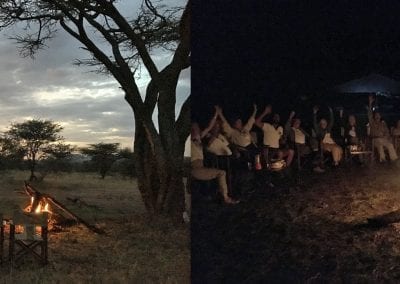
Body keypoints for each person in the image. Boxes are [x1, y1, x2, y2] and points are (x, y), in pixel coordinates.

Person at [191, 109, 239, 205]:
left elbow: (209, 127)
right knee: (221, 173)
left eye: (197, 128)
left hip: (200, 167)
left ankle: (220, 196)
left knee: (220, 172)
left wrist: (216, 114)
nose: (197, 130)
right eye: (194, 128)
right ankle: (226, 198)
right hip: (194, 168)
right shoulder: (189, 141)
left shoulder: (198, 139)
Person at [367, 95, 398, 163]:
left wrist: (387, 137)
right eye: (376, 115)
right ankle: (383, 159)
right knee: (380, 145)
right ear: (374, 116)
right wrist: (370, 103)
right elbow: (369, 114)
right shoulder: (372, 122)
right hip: (375, 139)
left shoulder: (383, 124)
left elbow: (387, 132)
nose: (377, 116)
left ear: (380, 116)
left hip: (383, 139)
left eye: (378, 115)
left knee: (390, 145)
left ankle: (394, 158)